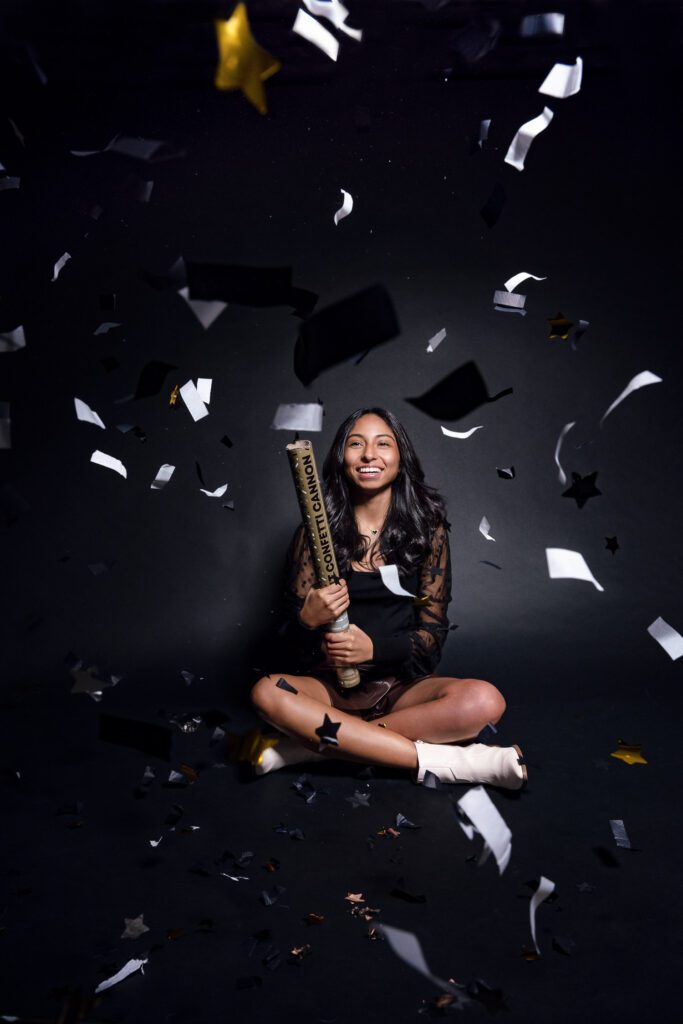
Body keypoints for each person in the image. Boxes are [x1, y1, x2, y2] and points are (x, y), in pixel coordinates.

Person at [250, 408, 526, 789]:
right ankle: (448, 762)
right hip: (327, 690)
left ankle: (315, 746)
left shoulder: (428, 530)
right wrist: (306, 621)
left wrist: (372, 650)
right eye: (356, 444)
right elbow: (285, 647)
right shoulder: (313, 535)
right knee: (266, 693)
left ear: (401, 458)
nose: (369, 455)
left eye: (383, 443)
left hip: (401, 690)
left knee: (485, 701)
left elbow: (432, 640)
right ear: (341, 458)